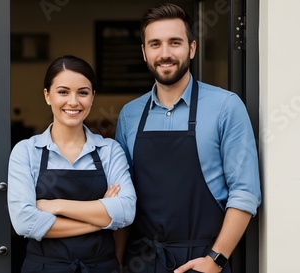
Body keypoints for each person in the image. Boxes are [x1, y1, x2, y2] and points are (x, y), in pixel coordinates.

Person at [114, 3, 262, 273]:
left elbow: (245, 193)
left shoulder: (226, 107)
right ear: (144, 52)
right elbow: (123, 199)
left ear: (192, 48)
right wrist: (119, 263)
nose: (165, 53)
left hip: (202, 261)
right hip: (142, 262)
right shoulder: (129, 115)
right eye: (155, 44)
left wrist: (216, 259)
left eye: (175, 42)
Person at [7, 55, 136, 273]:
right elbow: (25, 222)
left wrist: (56, 205)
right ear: (47, 95)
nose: (74, 102)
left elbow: (125, 211)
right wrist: (100, 218)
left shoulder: (110, 150)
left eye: (83, 92)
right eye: (63, 92)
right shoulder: (27, 151)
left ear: (92, 97)